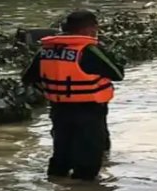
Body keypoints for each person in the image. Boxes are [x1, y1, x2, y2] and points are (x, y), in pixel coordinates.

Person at [23, 10, 126, 180]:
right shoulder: (89, 50)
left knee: (61, 155)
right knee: (90, 158)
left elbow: (28, 77)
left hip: (59, 109)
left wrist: (53, 90)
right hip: (89, 110)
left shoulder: (46, 50)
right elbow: (118, 73)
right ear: (90, 29)